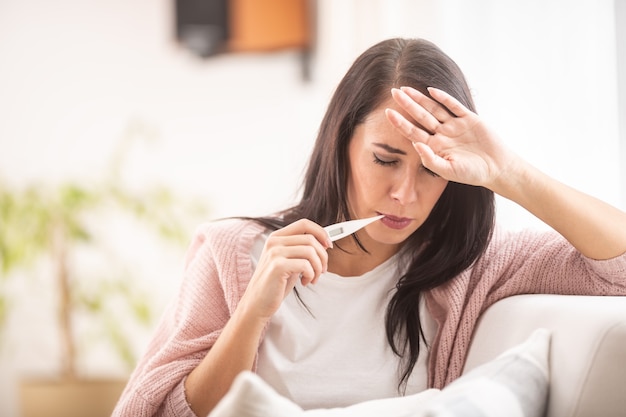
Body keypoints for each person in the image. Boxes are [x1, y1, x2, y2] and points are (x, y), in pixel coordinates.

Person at [112, 37, 626, 417]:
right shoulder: (231, 252)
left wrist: (507, 170)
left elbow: (618, 270)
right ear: (342, 146)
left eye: (432, 168)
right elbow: (157, 411)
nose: (405, 193)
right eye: (385, 159)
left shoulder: (474, 267)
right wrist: (253, 311)